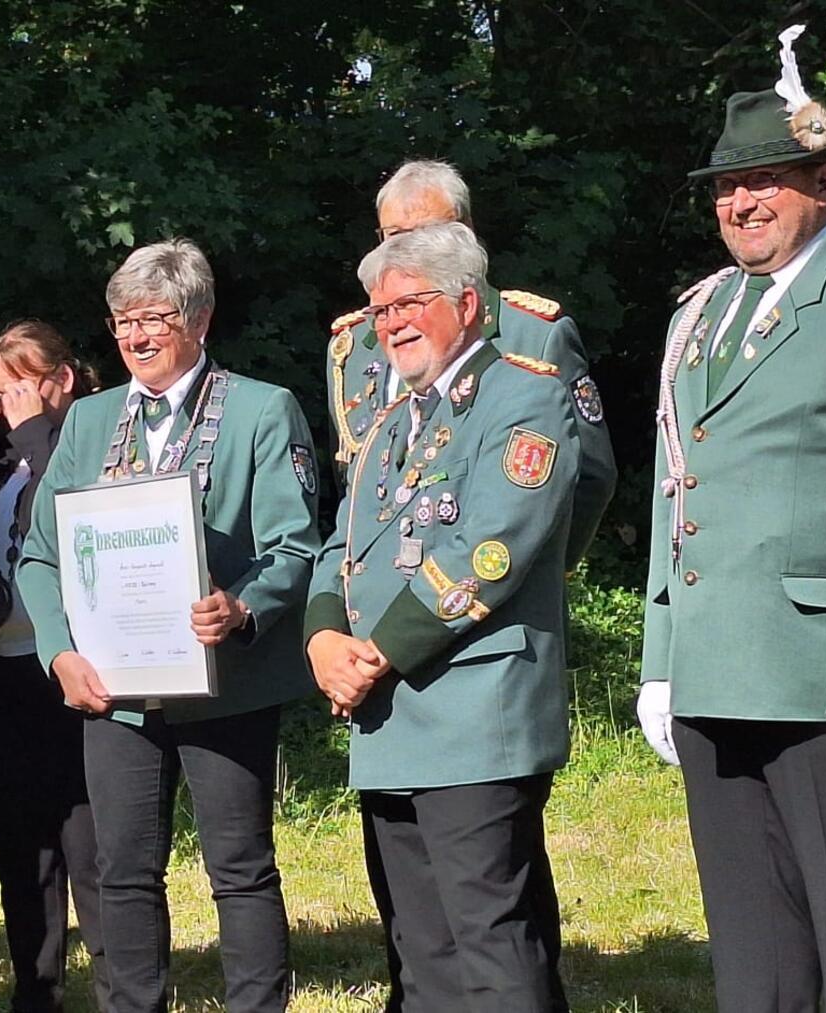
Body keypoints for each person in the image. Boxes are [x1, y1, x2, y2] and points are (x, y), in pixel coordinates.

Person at [17, 238, 320, 1013]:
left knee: (240, 865)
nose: (137, 337)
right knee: (120, 869)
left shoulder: (261, 408)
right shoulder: (86, 422)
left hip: (228, 683)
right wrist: (59, 653)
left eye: (154, 318)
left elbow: (295, 544)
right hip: (115, 689)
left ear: (200, 318)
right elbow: (40, 558)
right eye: (122, 321)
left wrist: (244, 604)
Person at [306, 223, 579, 1012]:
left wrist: (374, 651)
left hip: (474, 717)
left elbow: (490, 548)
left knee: (492, 943)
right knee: (420, 952)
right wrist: (324, 636)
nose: (390, 323)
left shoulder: (526, 395)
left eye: (408, 303)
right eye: (379, 309)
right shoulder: (390, 423)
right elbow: (342, 544)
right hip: (387, 720)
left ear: (467, 303)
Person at [637, 25, 826, 1010]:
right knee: (753, 951)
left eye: (765, 178)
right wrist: (659, 656)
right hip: (717, 669)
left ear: (823, 184)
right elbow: (677, 488)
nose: (741, 202)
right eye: (725, 186)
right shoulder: (699, 313)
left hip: (820, 673)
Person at [326, 159, 614, 568]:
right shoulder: (352, 348)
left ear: (468, 230)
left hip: (493, 596)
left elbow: (590, 474)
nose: (409, 252)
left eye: (427, 234)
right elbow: (355, 491)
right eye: (395, 238)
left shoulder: (533, 335)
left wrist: (531, 575)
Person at [0, 319, 108, 1012]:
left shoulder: (88, 438)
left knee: (87, 838)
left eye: (20, 384)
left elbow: (81, 517)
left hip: (64, 669)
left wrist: (32, 429)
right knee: (18, 840)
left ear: (62, 380)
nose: (6, 401)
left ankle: (117, 980)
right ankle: (36, 985)